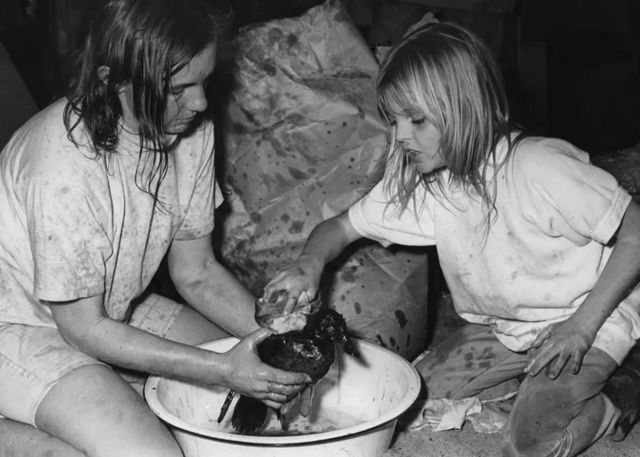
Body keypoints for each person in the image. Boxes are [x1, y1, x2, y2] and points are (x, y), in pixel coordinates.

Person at [261, 21, 640, 457]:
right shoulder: (434, 186)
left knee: (528, 443)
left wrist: (581, 328)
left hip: (592, 316)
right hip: (511, 328)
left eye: (416, 119)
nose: (401, 136)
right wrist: (308, 265)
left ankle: (620, 395)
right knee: (408, 397)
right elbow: (339, 227)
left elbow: (635, 231)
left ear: (465, 108)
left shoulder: (538, 166)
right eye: (396, 120)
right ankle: (538, 382)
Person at [0, 0, 311, 456]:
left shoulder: (189, 128)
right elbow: (84, 330)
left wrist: (283, 342)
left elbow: (197, 271)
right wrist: (219, 368)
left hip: (112, 308)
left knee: (258, 386)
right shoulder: (61, 165)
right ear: (113, 82)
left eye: (203, 81)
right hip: (20, 326)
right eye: (180, 87)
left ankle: (106, 391)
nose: (201, 102)